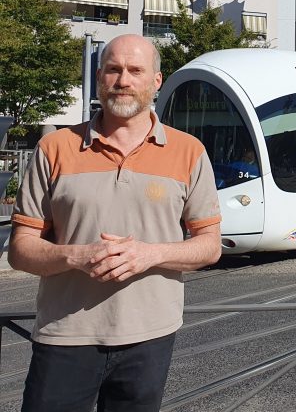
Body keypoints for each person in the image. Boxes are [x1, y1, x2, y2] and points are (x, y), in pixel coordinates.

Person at [9, 34, 222, 412]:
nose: (123, 80)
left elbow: (209, 245)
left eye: (135, 70)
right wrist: (76, 256)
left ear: (155, 81)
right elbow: (21, 249)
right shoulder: (55, 147)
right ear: (99, 78)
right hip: (64, 335)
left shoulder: (189, 152)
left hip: (150, 338)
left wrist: (148, 254)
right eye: (113, 69)